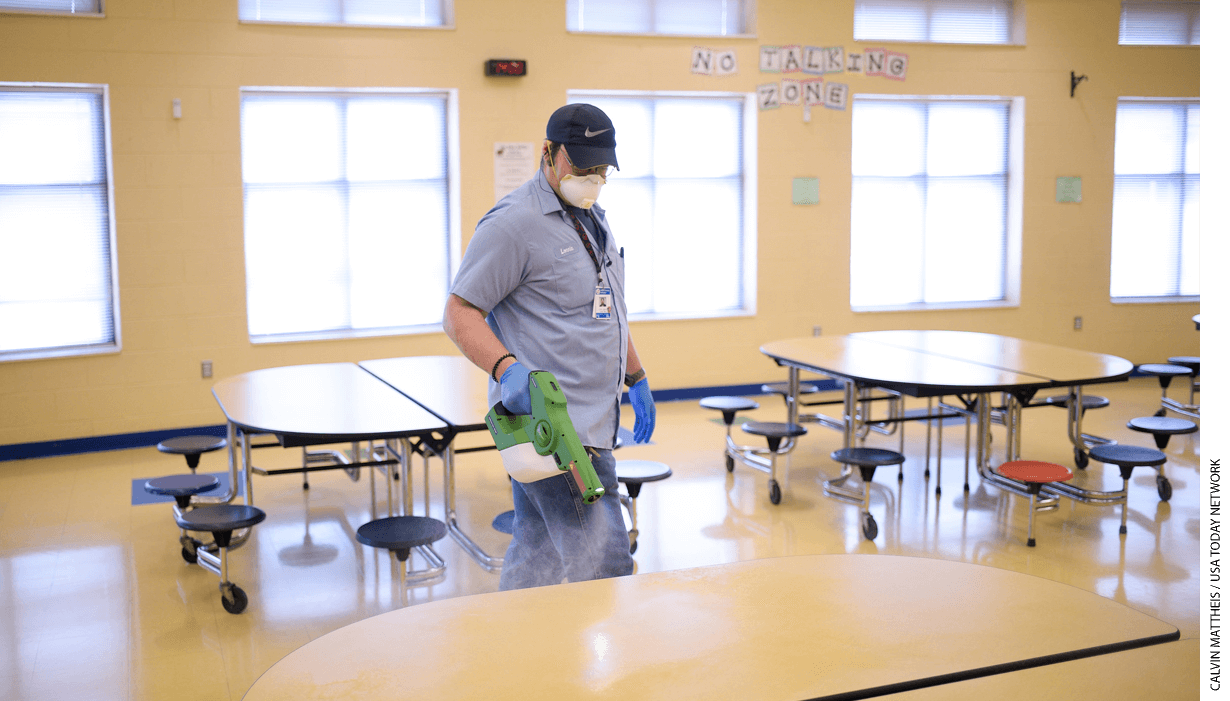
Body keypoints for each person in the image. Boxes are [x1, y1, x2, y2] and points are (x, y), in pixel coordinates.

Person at [443, 103, 656, 591]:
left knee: (536, 546)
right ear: (548, 154)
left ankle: (517, 652)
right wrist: (506, 368)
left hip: (594, 420)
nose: (593, 178)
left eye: (601, 169)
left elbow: (605, 310)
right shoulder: (513, 224)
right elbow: (459, 312)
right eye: (582, 167)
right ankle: (605, 668)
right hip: (555, 430)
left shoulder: (589, 219)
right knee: (606, 568)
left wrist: (636, 375)